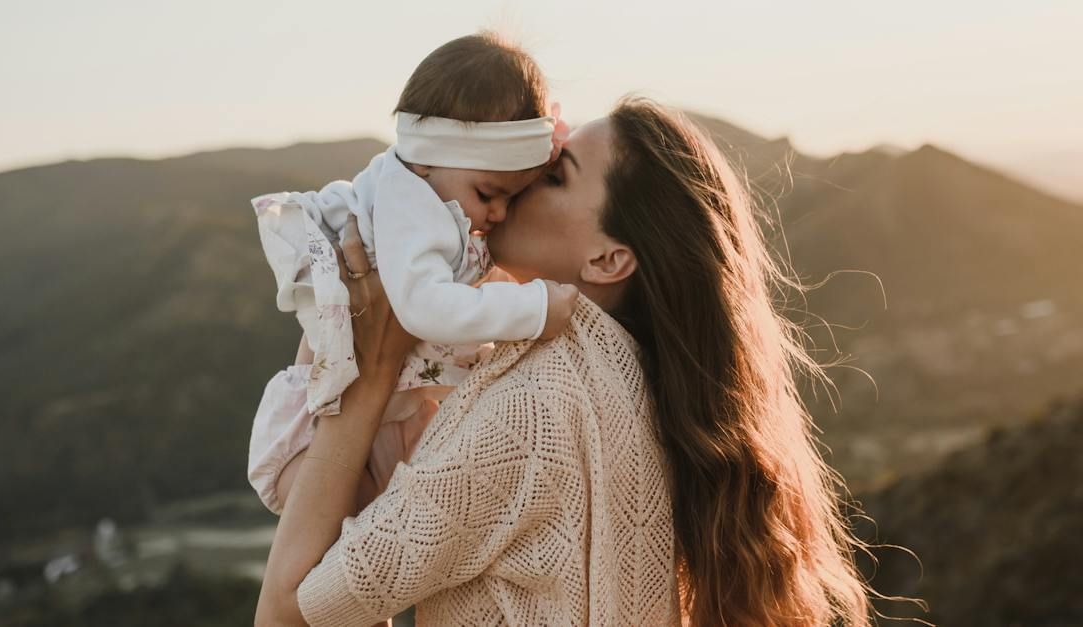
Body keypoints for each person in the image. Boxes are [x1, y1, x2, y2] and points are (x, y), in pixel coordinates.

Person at [253, 97, 882, 626]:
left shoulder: (529, 412)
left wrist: (364, 378)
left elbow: (287, 614)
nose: (520, 178)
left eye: (553, 175)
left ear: (607, 261)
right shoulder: (634, 388)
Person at [247, 33, 576, 511]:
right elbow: (424, 307)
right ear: (426, 158)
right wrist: (536, 308)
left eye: (512, 197)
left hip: (384, 416)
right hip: (318, 432)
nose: (499, 214)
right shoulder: (409, 200)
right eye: (488, 194)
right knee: (345, 546)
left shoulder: (433, 185)